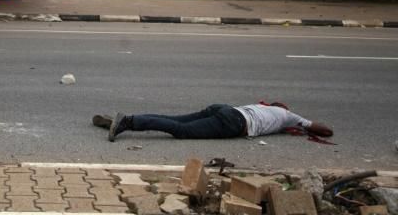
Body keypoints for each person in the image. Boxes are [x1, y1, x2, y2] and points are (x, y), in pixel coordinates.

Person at [93, 103, 333, 142]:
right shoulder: (289, 116)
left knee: (174, 120)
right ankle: (126, 122)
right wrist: (302, 123)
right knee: (181, 131)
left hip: (225, 108)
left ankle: (131, 120)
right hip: (234, 123)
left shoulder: (262, 107)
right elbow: (325, 130)